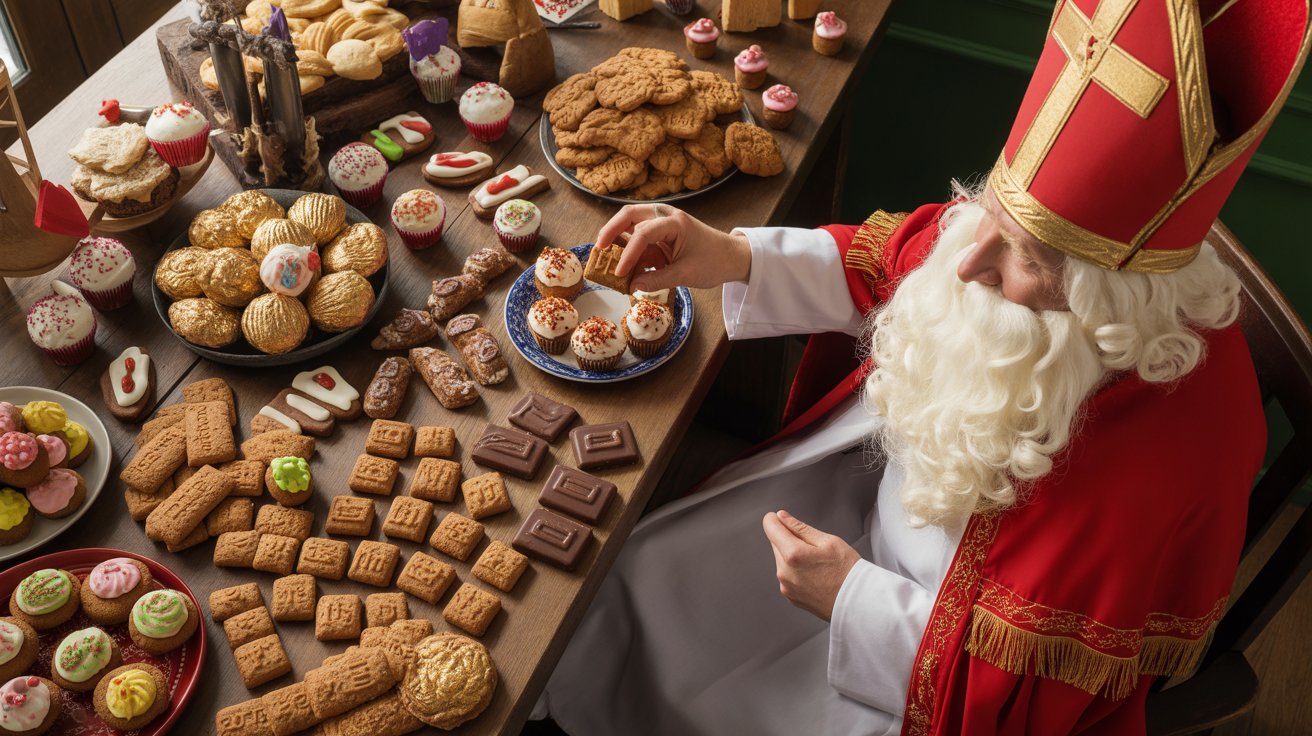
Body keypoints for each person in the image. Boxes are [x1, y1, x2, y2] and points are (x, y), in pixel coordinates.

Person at [537, 2, 1310, 734]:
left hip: (912, 665)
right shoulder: (1027, 260)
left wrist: (854, 602)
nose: (968, 262)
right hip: (855, 509)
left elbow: (1032, 704)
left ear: (1107, 307)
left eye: (1022, 258)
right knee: (638, 578)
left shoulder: (1163, 456)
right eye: (992, 219)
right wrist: (730, 253)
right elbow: (895, 261)